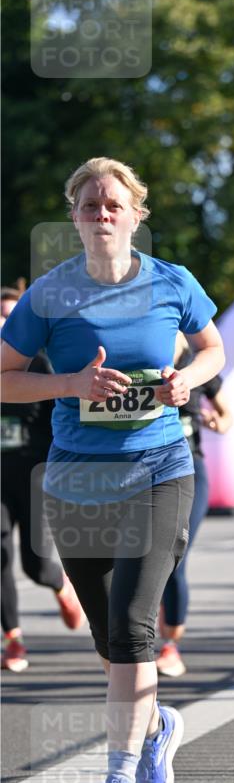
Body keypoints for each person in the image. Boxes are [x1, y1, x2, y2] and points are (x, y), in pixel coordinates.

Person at [0, 157, 224, 783]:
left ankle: (118, 782)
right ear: (73, 216)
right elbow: (4, 377)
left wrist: (189, 380)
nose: (102, 214)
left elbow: (212, 349)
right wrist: (69, 384)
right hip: (75, 478)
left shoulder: (172, 282)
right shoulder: (49, 294)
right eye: (90, 204)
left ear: (135, 216)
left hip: (158, 467)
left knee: (132, 625)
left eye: (113, 205)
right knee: (107, 640)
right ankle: (154, 729)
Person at [1, 285, 85, 671]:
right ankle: (13, 641)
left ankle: (60, 584)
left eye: (10, 317)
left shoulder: (38, 366)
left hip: (35, 471)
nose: (4, 323)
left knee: (36, 565)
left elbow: (62, 418)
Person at [156, 332, 232, 678]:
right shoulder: (145, 360)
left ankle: (170, 645)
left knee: (175, 554)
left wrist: (219, 422)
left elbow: (226, 415)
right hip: (148, 470)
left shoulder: (199, 366)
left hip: (190, 470)